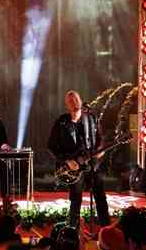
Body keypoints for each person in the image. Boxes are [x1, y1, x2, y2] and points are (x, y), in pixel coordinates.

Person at [47, 90, 109, 228]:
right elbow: (51, 146)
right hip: (73, 168)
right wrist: (66, 161)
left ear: (80, 101)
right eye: (70, 100)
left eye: (75, 99)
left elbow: (100, 140)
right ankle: (72, 232)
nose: (74, 102)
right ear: (66, 105)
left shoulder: (91, 118)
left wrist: (100, 151)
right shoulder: (62, 122)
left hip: (92, 165)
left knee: (100, 198)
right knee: (76, 200)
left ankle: (106, 230)